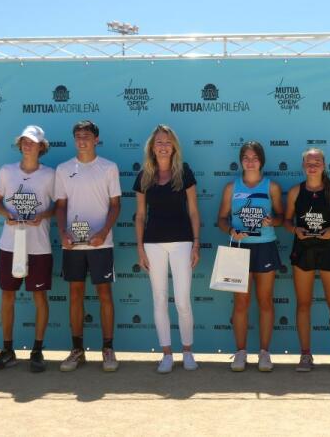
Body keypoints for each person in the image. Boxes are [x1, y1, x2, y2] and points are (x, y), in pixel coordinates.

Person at [0, 125, 55, 373]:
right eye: (24, 141)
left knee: (39, 297)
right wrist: (7, 215)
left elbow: (58, 207)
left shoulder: (50, 175)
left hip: (38, 245)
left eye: (33, 141)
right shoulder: (6, 171)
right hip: (10, 243)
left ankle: (37, 351)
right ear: (20, 144)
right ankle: (7, 351)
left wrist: (43, 216)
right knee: (7, 295)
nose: (28, 145)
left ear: (41, 147)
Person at [55, 120, 121, 372]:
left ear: (96, 139)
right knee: (75, 294)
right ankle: (77, 350)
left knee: (105, 294)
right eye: (78, 136)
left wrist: (103, 232)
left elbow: (116, 205)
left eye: (87, 136)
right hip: (73, 245)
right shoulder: (63, 169)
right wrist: (62, 232)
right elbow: (60, 206)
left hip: (101, 244)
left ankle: (108, 349)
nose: (82, 140)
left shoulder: (108, 168)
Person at [134, 125, 201, 374]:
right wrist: (140, 248)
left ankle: (187, 351)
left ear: (174, 147)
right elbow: (140, 216)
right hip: (153, 244)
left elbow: (194, 211)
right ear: (152, 146)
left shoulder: (184, 172)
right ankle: (166, 354)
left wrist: (196, 243)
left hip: (182, 242)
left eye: (168, 142)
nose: (163, 146)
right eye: (159, 142)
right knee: (160, 300)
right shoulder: (144, 176)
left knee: (182, 301)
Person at [217, 141, 284, 372]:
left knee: (265, 301)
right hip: (239, 249)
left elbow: (282, 219)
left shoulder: (271, 187)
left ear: (262, 161)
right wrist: (231, 231)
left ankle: (264, 353)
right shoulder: (231, 188)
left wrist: (270, 221)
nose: (250, 161)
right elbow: (221, 219)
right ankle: (241, 352)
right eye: (246, 157)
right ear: (240, 160)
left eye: (255, 157)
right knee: (241, 303)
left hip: (265, 246)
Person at [283, 147, 330, 373]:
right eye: (309, 162)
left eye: (317, 162)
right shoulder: (295, 192)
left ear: (324, 165)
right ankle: (305, 356)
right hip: (303, 251)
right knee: (303, 304)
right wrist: (295, 230)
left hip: (329, 250)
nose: (313, 165)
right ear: (303, 165)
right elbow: (286, 221)